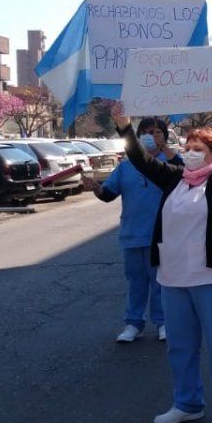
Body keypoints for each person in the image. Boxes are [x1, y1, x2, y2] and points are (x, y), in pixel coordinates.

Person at [112, 92, 212, 423]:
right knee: (181, 347)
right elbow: (142, 161)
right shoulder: (176, 178)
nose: (190, 153)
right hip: (174, 279)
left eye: (198, 149)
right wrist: (124, 127)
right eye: (187, 148)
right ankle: (187, 404)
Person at [82, 117, 183, 343]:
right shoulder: (126, 167)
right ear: (138, 137)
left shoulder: (171, 164)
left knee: (161, 283)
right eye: (146, 132)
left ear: (165, 136)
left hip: (162, 235)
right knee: (136, 283)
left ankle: (163, 322)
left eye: (157, 132)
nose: (151, 136)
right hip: (132, 234)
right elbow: (109, 194)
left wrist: (165, 148)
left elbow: (185, 175)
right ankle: (133, 323)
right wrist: (97, 188)